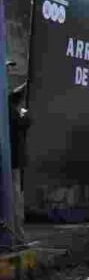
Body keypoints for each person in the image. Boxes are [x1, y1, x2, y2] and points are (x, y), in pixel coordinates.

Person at [7, 82, 30, 246]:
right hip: (12, 161)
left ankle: (17, 238)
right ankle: (17, 238)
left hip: (13, 160)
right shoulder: (10, 109)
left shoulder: (9, 104)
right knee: (14, 200)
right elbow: (23, 122)